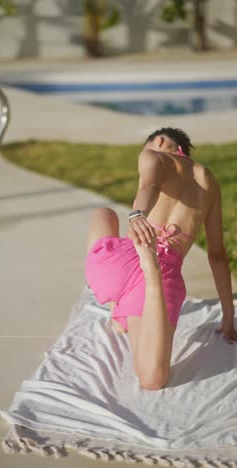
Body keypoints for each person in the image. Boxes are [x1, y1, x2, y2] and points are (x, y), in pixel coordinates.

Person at [84, 127, 237, 391]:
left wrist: (137, 215)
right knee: (152, 378)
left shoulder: (152, 156)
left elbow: (150, 185)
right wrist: (227, 317)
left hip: (118, 265)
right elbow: (217, 255)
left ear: (159, 141)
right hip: (159, 279)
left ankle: (117, 312)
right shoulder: (209, 181)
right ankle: (137, 290)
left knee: (104, 214)